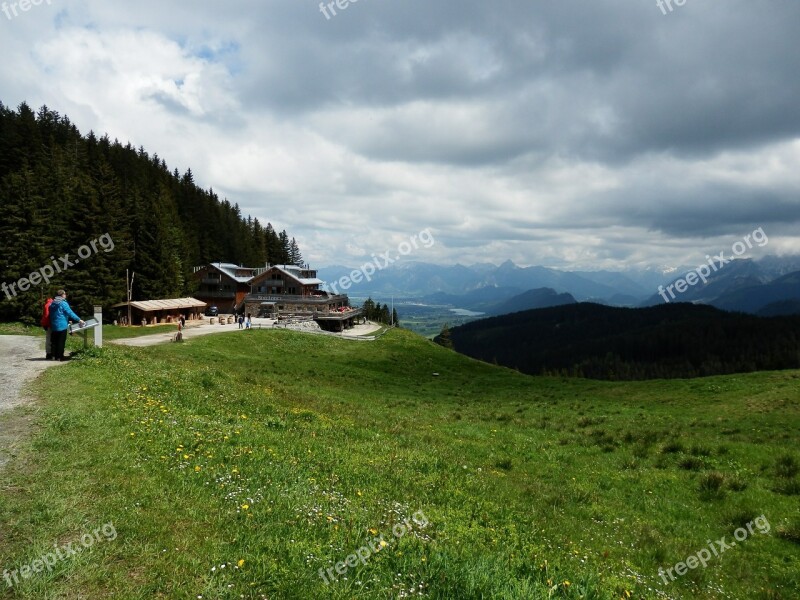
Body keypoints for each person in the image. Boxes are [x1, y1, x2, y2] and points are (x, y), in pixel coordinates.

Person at [48, 289, 84, 361]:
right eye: (65, 294)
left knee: (54, 341)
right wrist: (79, 319)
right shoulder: (63, 303)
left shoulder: (52, 303)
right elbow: (70, 312)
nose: (65, 295)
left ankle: (53, 356)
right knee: (61, 341)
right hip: (62, 325)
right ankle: (59, 357)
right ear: (62, 295)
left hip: (54, 325)